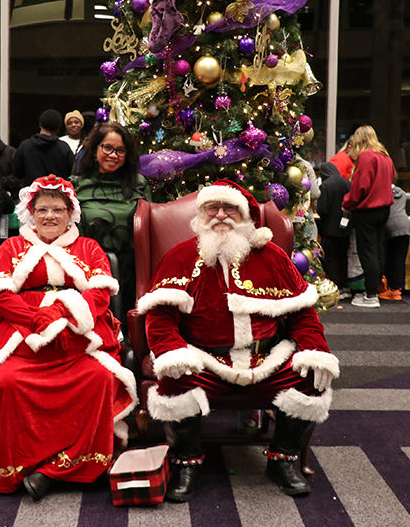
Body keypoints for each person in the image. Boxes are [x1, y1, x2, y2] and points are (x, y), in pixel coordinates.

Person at [139, 180, 338, 502]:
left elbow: (303, 315)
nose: (220, 215)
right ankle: (187, 462)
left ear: (245, 215)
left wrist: (315, 351)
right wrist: (171, 352)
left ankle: (282, 459)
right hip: (204, 359)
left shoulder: (273, 257)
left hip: (268, 359)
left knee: (310, 376)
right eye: (212, 208)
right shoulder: (180, 256)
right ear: (201, 214)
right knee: (174, 379)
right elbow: (160, 317)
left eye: (229, 208)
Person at [0, 175, 136, 501]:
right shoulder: (11, 247)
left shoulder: (89, 248)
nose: (50, 216)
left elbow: (99, 294)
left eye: (57, 209)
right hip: (19, 331)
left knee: (98, 379)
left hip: (78, 332)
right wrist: (35, 319)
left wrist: (62, 313)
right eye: (42, 210)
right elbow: (0, 295)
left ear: (70, 213)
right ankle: (23, 466)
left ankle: (61, 468)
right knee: (6, 382)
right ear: (31, 213)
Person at [72, 121, 147, 313]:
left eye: (120, 150)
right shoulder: (76, 185)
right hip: (90, 270)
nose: (113, 155)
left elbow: (149, 227)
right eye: (107, 148)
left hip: (133, 272)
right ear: (95, 149)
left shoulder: (139, 185)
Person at [341, 126, 396, 309]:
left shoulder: (366, 156)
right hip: (384, 209)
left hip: (368, 211)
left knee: (368, 253)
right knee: (377, 252)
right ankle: (374, 291)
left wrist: (347, 203)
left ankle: (371, 295)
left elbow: (360, 186)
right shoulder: (385, 155)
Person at [13, 109, 75, 186]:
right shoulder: (64, 148)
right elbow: (72, 174)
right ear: (58, 129)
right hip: (57, 191)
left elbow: (17, 174)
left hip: (32, 191)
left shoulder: (25, 146)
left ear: (40, 125)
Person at [316, 161, 351, 298]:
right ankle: (345, 286)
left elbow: (322, 209)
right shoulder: (348, 183)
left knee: (330, 257)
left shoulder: (325, 185)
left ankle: (336, 286)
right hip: (346, 227)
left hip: (330, 228)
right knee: (343, 257)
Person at [380, 184, 410, 300]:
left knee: (387, 258)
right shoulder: (401, 191)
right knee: (399, 258)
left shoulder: (382, 191)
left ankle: (386, 288)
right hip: (404, 225)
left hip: (389, 225)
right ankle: (396, 290)